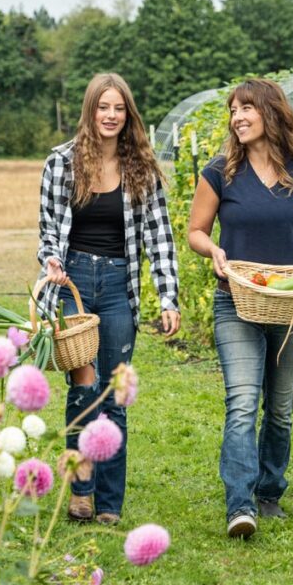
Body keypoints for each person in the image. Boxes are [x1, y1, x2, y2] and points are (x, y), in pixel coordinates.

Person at [37, 72, 181, 525]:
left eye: (119, 108)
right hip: (74, 283)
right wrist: (52, 262)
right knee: (84, 389)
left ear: (128, 114)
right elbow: (48, 231)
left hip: (120, 285)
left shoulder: (141, 166)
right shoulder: (61, 163)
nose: (111, 116)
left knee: (114, 395)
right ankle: (81, 490)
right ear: (90, 111)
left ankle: (109, 503)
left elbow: (160, 237)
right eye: (104, 107)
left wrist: (168, 297)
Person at [187, 78, 293, 539]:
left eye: (246, 108)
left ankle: (269, 491)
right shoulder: (219, 172)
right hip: (237, 301)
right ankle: (240, 504)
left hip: (292, 306)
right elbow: (196, 232)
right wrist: (215, 253)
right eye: (233, 111)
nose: (237, 117)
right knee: (243, 402)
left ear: (271, 113)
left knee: (281, 409)